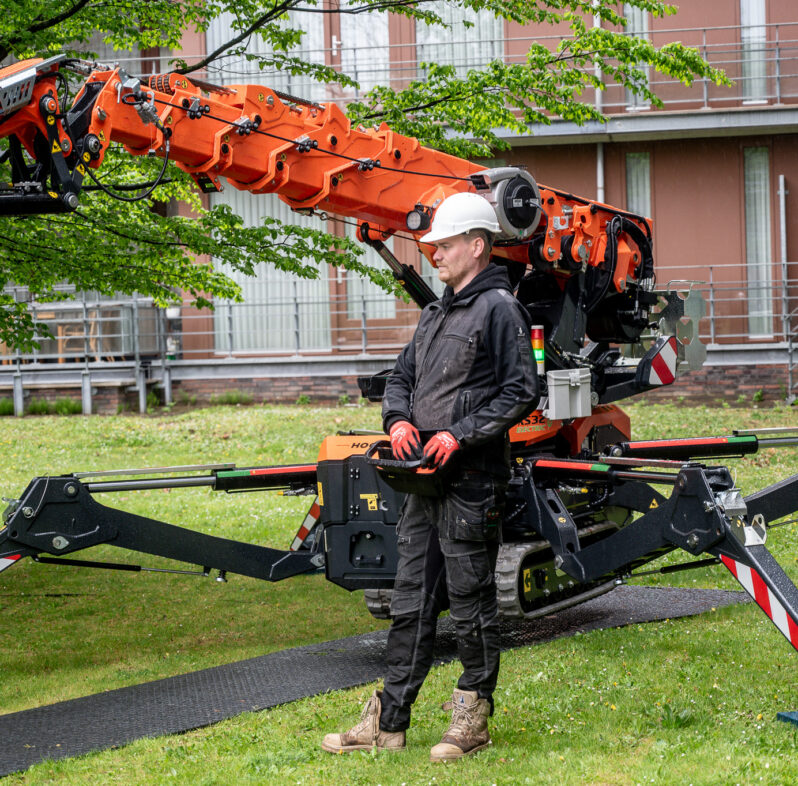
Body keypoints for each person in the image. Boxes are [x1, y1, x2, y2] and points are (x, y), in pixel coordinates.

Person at [321, 191, 540, 762]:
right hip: (422, 482)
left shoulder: (500, 309)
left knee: (470, 603)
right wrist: (398, 421)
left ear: (477, 245)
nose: (434, 254)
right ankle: (387, 722)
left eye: (443, 245)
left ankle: (471, 720)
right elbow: (401, 379)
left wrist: (457, 434)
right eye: (433, 246)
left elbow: (521, 391)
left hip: (471, 482)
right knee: (411, 599)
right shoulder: (436, 313)